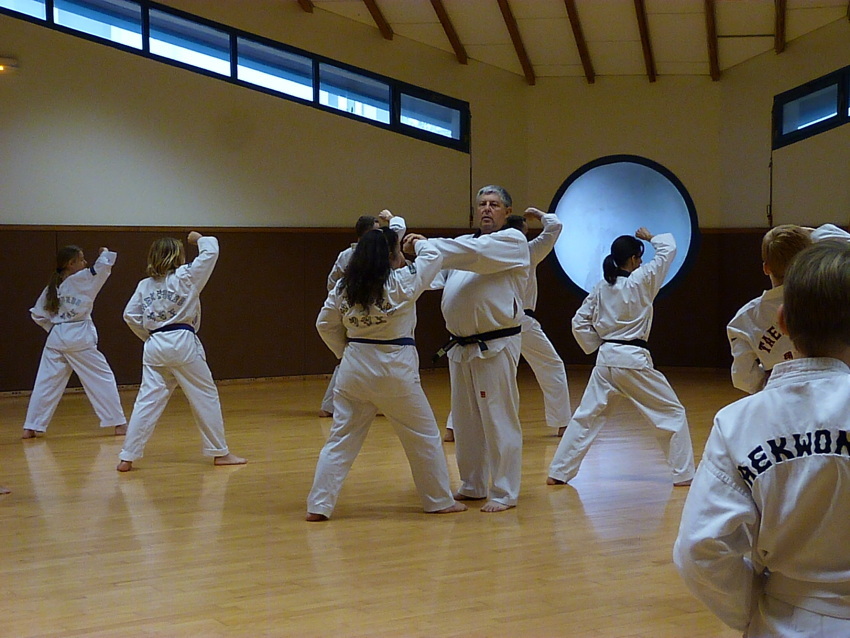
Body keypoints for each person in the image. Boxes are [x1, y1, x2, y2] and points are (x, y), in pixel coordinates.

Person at [674, 240, 850, 637]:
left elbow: (699, 549)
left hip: (785, 619)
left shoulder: (737, 423)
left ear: (783, 321)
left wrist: (752, 611)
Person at [307, 227, 466, 521]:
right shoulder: (402, 281)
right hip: (395, 367)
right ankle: (438, 500)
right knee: (422, 436)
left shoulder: (343, 287)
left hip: (354, 366)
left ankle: (318, 505)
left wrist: (345, 352)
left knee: (340, 440)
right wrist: (419, 243)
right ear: (391, 256)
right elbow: (433, 257)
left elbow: (324, 325)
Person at [547, 228, 695, 487]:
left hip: (605, 360)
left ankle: (558, 471)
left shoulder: (602, 286)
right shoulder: (643, 279)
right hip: (632, 360)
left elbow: (579, 322)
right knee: (672, 413)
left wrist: (598, 344)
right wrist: (650, 238)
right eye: (639, 257)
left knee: (586, 417)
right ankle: (683, 474)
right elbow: (669, 249)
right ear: (635, 259)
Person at [427, 185, 531, 513]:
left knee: (498, 418)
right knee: (465, 420)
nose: (487, 208)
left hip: (496, 344)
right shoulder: (463, 246)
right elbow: (435, 276)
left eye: (494, 204)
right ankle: (472, 483)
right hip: (461, 346)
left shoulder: (512, 241)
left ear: (507, 211)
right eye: (482, 204)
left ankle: (504, 491)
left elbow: (476, 256)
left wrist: (427, 244)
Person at [117, 231, 246, 471]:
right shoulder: (186, 276)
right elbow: (211, 251)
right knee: (204, 395)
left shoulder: (144, 285)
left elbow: (130, 315)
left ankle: (127, 456)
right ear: (178, 256)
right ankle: (220, 452)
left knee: (147, 400)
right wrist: (198, 239)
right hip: (182, 341)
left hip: (154, 344)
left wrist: (149, 336)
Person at [443, 209, 571, 441]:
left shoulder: (487, 255)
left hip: (496, 323)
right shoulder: (528, 251)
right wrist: (539, 214)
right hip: (517, 321)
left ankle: (453, 427)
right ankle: (562, 423)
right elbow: (554, 227)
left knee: (471, 375)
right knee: (551, 365)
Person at [728, 223, 850, 394]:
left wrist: (768, 389)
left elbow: (743, 377)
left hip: (780, 393)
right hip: (834, 388)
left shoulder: (744, 319)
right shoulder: (828, 296)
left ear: (766, 268)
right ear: (808, 259)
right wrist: (815, 234)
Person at [22, 245, 126, 439]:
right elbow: (102, 268)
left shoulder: (52, 286)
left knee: (46, 383)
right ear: (71, 263)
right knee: (101, 378)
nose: (85, 263)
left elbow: (37, 315)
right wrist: (104, 253)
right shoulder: (83, 279)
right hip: (79, 336)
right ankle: (118, 423)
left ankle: (31, 426)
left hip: (56, 337)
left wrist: (56, 329)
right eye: (82, 259)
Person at [319, 210, 406, 417]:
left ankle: (332, 406)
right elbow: (334, 283)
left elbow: (333, 283)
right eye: (375, 231)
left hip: (365, 309)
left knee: (351, 358)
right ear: (365, 234)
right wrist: (343, 302)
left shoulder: (356, 253)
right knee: (354, 357)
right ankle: (332, 405)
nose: (379, 235)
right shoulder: (352, 255)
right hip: (359, 311)